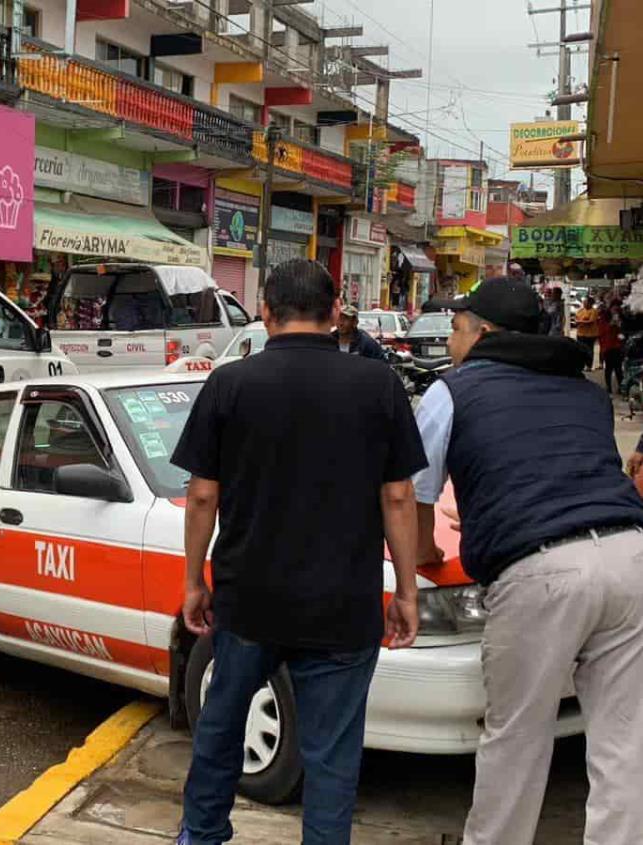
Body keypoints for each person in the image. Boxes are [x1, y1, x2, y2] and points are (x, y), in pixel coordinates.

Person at [172, 259, 425, 845]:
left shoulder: (229, 385)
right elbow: (398, 496)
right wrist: (406, 592)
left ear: (265, 313)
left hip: (248, 602)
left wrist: (193, 582)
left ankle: (202, 835)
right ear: (335, 313)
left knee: (220, 727)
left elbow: (203, 494)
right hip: (344, 607)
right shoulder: (377, 385)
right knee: (332, 760)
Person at [413, 277, 643, 845]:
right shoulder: (585, 390)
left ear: (484, 333)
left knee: (517, 736)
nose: (453, 339)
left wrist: (424, 552)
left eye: (459, 328)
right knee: (624, 740)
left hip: (542, 573)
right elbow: (566, 471)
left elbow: (413, 490)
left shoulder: (453, 390)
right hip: (630, 555)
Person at [599, 299, 624, 393]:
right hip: (608, 346)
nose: (616, 309)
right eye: (615, 307)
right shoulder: (605, 317)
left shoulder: (621, 317)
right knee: (609, 368)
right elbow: (602, 331)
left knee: (618, 369)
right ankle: (608, 387)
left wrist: (620, 328)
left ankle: (621, 387)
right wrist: (611, 324)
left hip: (618, 346)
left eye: (618, 307)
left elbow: (622, 333)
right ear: (611, 307)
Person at [575, 296, 599, 369]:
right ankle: (581, 365)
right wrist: (580, 322)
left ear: (590, 303)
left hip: (590, 335)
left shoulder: (594, 311)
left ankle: (589, 365)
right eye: (584, 302)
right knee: (580, 350)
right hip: (580, 334)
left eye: (586, 302)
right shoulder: (580, 310)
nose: (584, 303)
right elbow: (576, 319)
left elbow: (590, 321)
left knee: (589, 350)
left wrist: (580, 321)